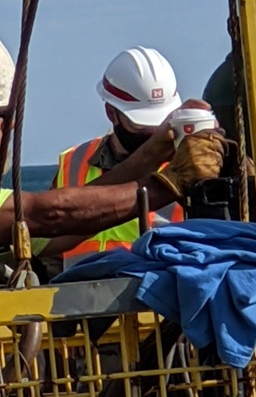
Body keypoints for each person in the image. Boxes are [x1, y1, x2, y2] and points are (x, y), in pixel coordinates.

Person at [0, 24, 220, 292]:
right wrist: (171, 182)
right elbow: (51, 214)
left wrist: (150, 155)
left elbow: (63, 230)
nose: (12, 126)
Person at [47, 46, 186, 272]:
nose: (155, 134)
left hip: (157, 301)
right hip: (80, 301)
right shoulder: (74, 162)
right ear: (112, 113)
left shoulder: (187, 165)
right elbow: (49, 249)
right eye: (142, 124)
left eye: (160, 122)